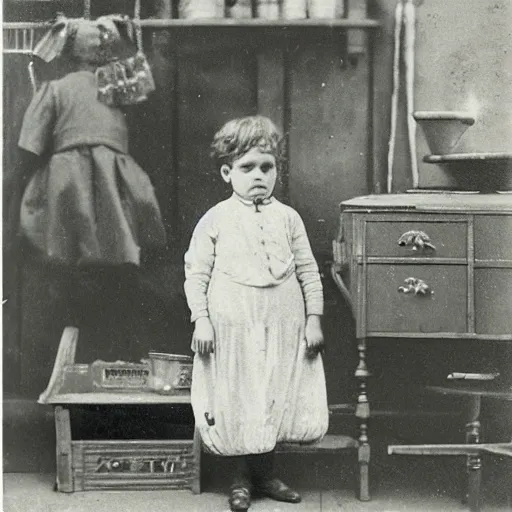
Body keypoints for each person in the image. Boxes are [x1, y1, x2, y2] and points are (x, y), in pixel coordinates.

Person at [184, 116, 329, 511]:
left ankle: (266, 474)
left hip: (282, 319)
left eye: (267, 167)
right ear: (227, 172)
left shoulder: (288, 218)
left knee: (273, 392)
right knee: (239, 393)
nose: (258, 175)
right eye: (247, 168)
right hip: (234, 320)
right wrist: (202, 318)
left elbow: (307, 271)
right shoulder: (216, 219)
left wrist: (313, 318)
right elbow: (196, 273)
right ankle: (240, 478)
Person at [16, 16, 166, 359]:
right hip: (115, 183)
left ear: (68, 53)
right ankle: (116, 348)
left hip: (68, 183)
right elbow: (146, 101)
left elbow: (29, 146)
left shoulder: (54, 89)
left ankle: (71, 347)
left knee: (69, 262)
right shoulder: (116, 86)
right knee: (116, 262)